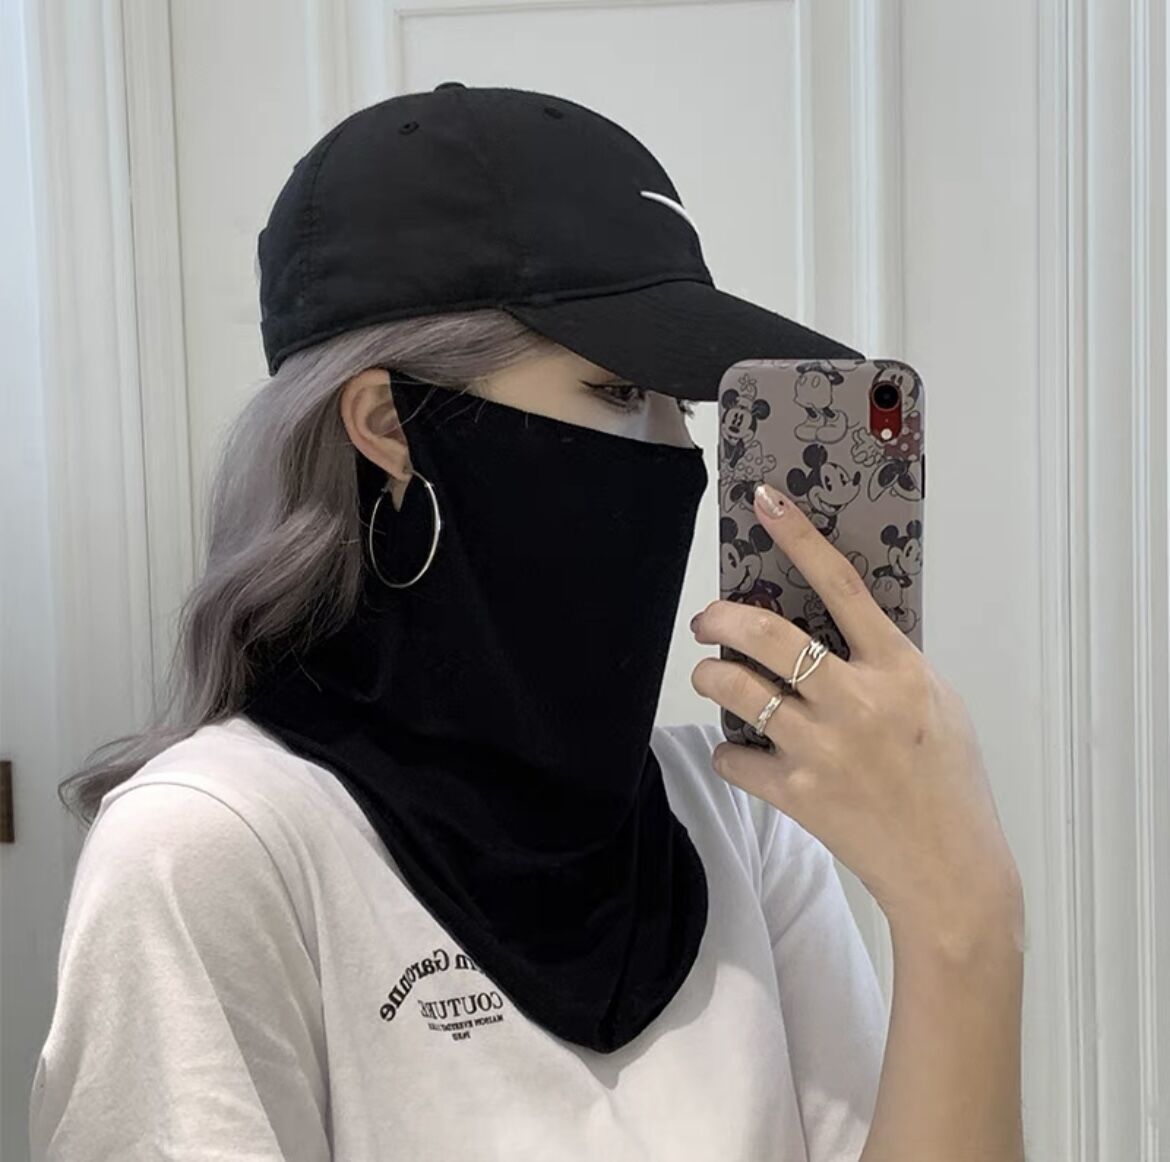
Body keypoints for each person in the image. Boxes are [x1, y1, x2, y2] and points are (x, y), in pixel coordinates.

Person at [29, 84, 1024, 1161]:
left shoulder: (741, 820)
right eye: (616, 393)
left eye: (681, 407)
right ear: (389, 423)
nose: (672, 456)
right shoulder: (212, 846)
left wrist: (963, 918)